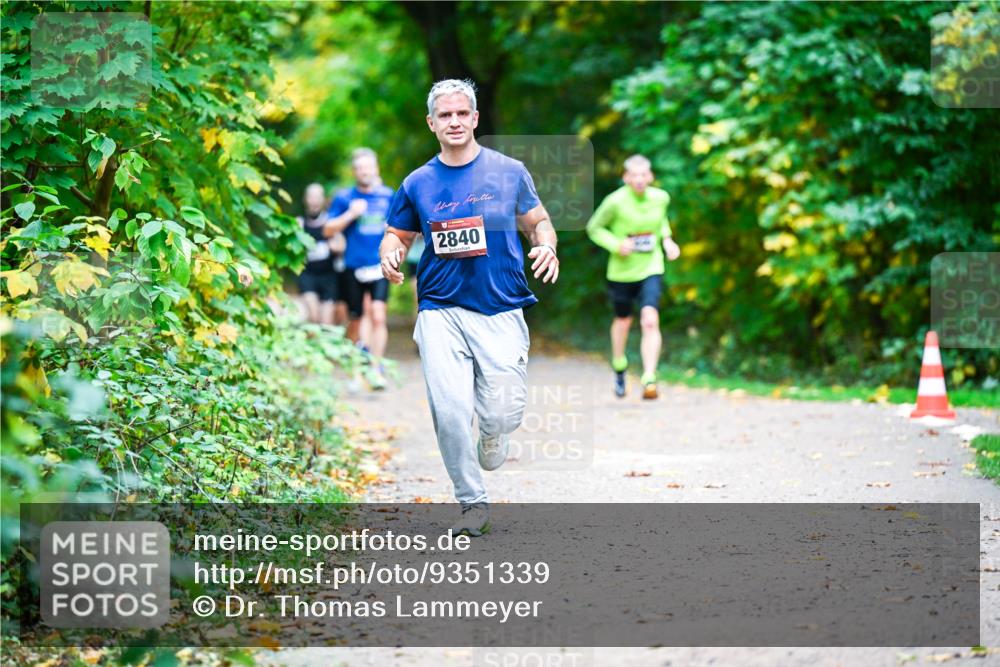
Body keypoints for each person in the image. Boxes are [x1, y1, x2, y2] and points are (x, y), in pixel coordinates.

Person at [379, 79, 559, 536]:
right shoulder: (417, 182)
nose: (454, 122)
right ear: (431, 123)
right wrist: (389, 252)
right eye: (445, 115)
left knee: (502, 412)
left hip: (500, 306)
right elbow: (398, 233)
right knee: (449, 408)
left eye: (462, 114)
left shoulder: (508, 171)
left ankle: (494, 431)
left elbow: (537, 221)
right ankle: (471, 503)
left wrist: (547, 246)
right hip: (440, 306)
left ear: (475, 119)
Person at [586, 154, 680, 400]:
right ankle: (619, 363)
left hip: (651, 267)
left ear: (650, 177)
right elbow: (594, 227)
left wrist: (668, 240)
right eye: (634, 175)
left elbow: (661, 223)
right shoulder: (614, 202)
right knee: (624, 320)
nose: (639, 180)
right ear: (626, 178)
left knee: (650, 319)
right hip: (621, 272)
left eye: (643, 175)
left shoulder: (661, 198)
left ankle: (649, 377)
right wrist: (617, 245)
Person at [324, 148, 394, 390]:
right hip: (353, 266)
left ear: (376, 168)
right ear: (355, 172)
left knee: (378, 314)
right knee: (356, 319)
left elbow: (402, 228)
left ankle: (376, 369)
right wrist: (350, 215)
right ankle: (355, 370)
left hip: (380, 265)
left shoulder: (388, 196)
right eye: (360, 168)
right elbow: (327, 230)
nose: (365, 171)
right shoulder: (344, 198)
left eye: (369, 167)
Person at [296, 183, 344, 324]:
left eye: (317, 197)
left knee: (326, 322)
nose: (314, 201)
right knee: (313, 316)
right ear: (305, 199)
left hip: (329, 276)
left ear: (323, 200)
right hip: (307, 275)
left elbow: (342, 246)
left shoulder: (331, 223)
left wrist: (335, 246)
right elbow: (289, 248)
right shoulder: (299, 223)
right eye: (311, 197)